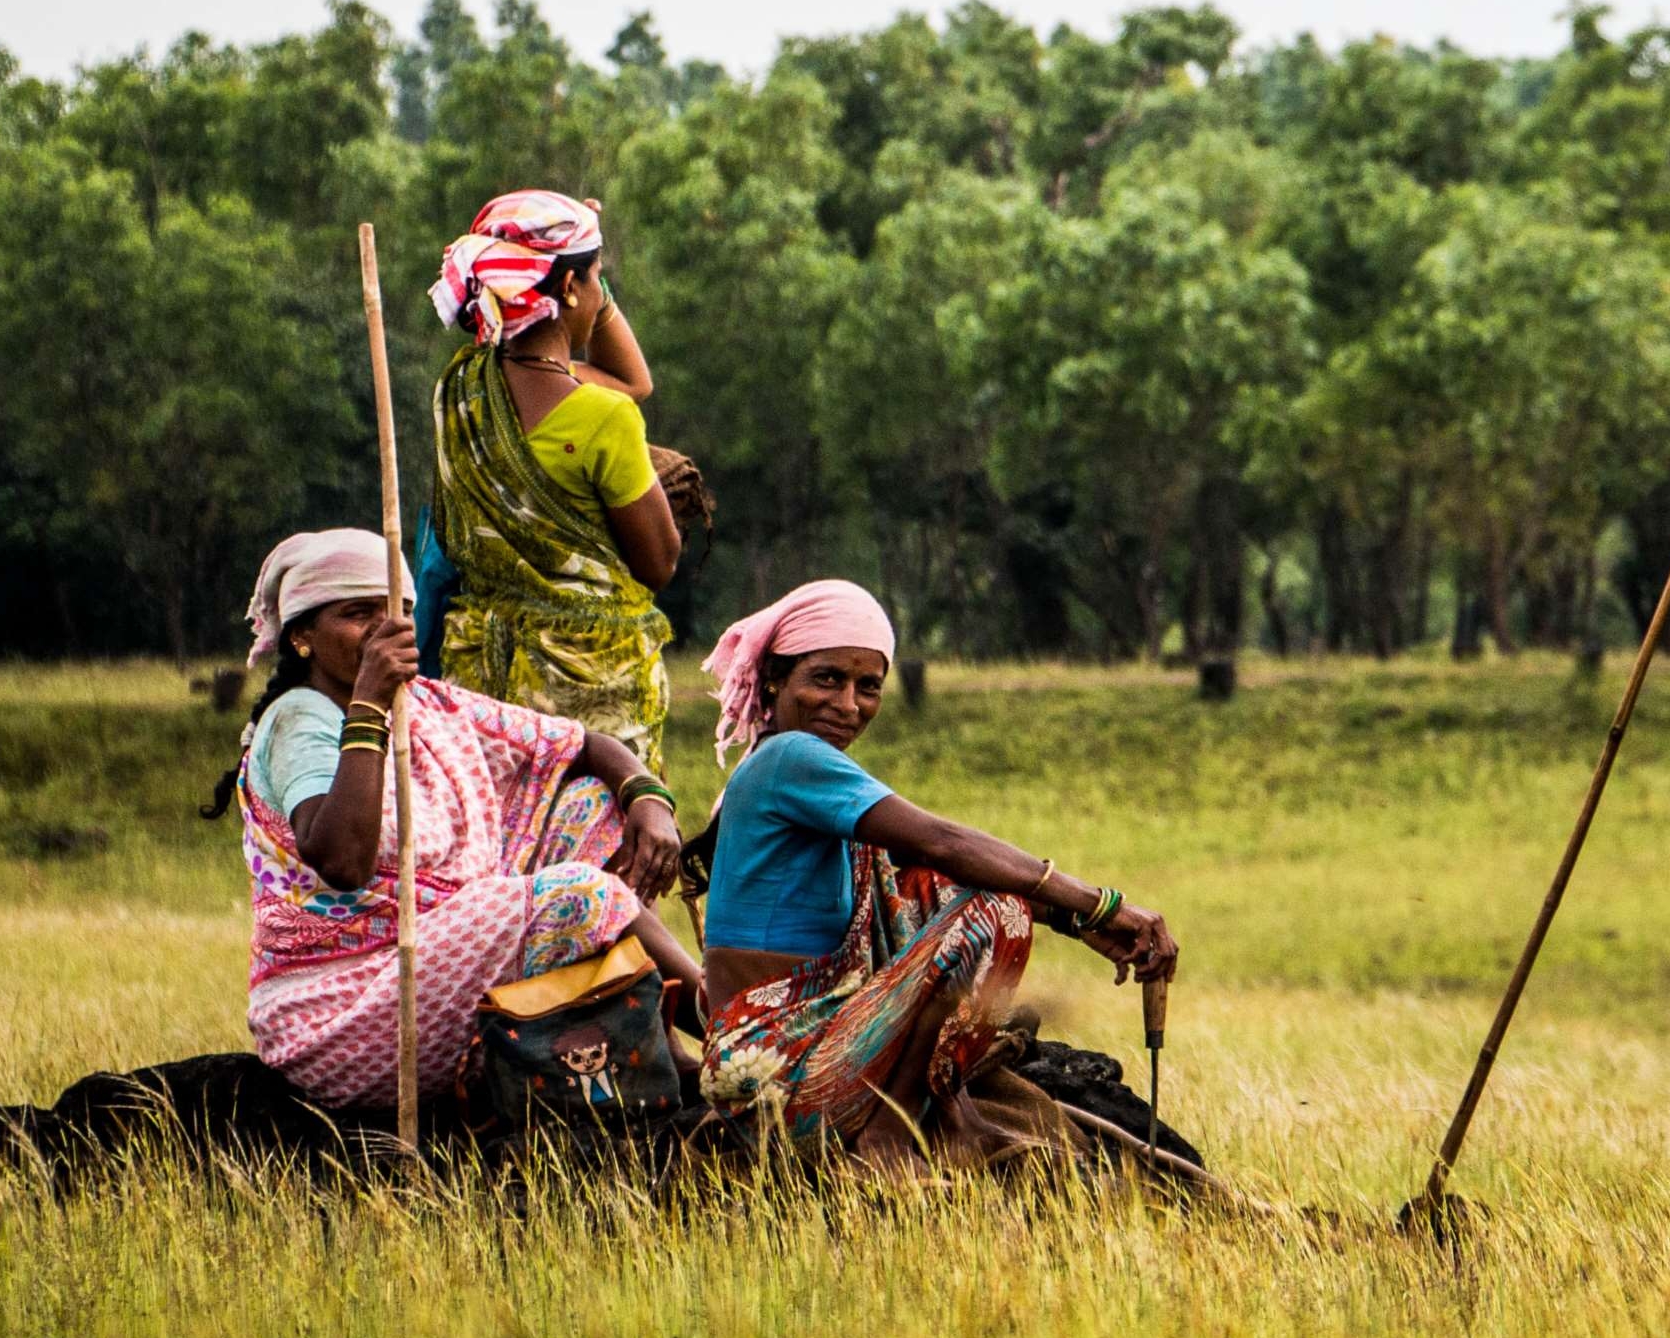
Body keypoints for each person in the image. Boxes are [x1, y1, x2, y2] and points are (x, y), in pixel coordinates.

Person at [692, 580, 1180, 1171]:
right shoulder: (790, 757)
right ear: (775, 678)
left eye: (867, 687)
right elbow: (943, 841)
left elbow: (929, 872)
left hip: (779, 1072)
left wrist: (1074, 923)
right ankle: (891, 1135)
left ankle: (934, 1111)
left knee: (926, 886)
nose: (848, 705)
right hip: (784, 1074)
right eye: (826, 679)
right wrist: (1101, 905)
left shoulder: (772, 772)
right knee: (994, 911)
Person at [211, 525, 703, 1109]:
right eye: (356, 613)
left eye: (396, 611)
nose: (382, 629)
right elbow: (342, 860)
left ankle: (660, 1042)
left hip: (441, 960)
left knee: (594, 803)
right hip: (345, 1009)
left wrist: (648, 799)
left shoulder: (428, 703)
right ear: (302, 638)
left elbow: (583, 745)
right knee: (578, 897)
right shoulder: (301, 722)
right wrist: (369, 701)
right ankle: (735, 1031)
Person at [419, 190, 708, 752]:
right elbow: (658, 563)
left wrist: (575, 265)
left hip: (480, 696)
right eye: (598, 279)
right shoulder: (604, 419)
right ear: (573, 289)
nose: (603, 294)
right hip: (587, 701)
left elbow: (631, 380)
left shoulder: (459, 392)